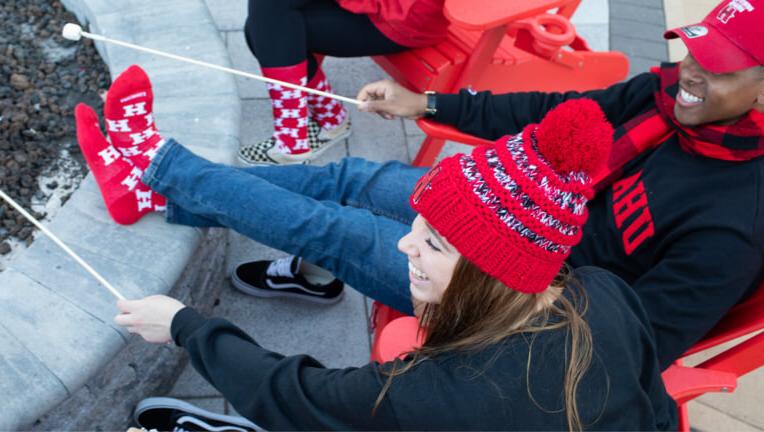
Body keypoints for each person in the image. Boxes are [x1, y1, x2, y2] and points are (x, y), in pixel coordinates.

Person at [87, 89, 676, 430]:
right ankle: (152, 183)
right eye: (419, 227)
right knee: (356, 188)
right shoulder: (604, 291)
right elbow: (658, 413)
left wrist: (185, 326)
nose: (403, 243)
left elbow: (292, 395)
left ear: (491, 273)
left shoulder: (434, 394)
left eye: (433, 243)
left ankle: (156, 169)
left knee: (335, 231)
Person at [235, 0, 764, 369]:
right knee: (354, 179)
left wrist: (481, 339)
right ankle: (167, 179)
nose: (690, 71)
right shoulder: (663, 93)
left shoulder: (738, 222)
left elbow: (632, 343)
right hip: (519, 211)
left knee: (335, 226)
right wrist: (429, 102)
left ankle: (161, 180)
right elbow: (551, 112)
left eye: (718, 67)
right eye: (695, 49)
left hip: (521, 298)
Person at [238, 0, 448, 165]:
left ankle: (294, 139)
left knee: (267, 27)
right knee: (265, 27)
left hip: (399, 15)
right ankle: (328, 120)